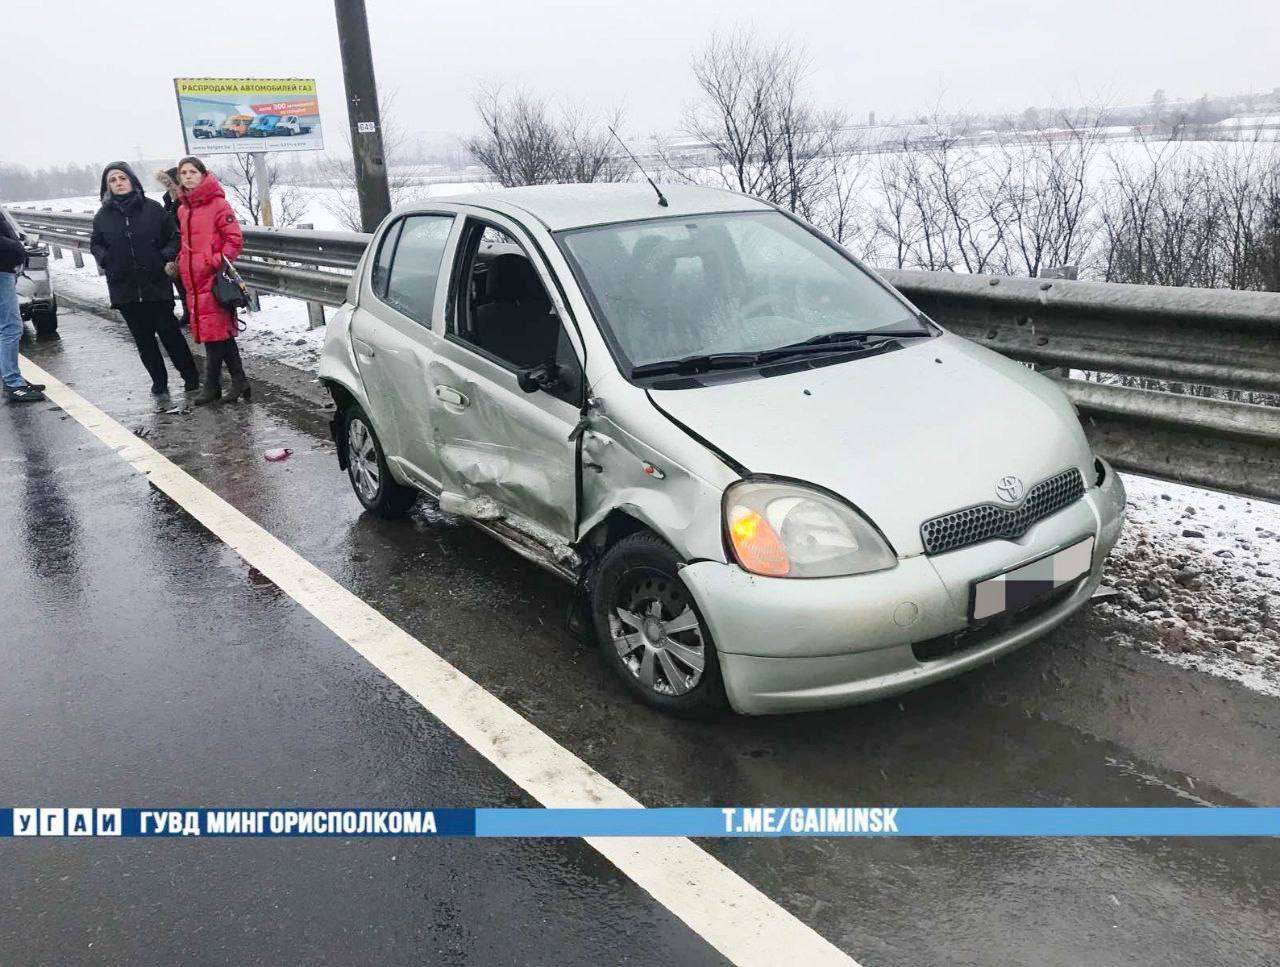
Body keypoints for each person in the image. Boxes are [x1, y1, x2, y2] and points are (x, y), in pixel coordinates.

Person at [89, 161, 200, 397]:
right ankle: (159, 381)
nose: (119, 183)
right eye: (113, 180)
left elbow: (174, 237)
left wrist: (163, 258)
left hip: (155, 283)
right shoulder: (102, 215)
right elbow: (96, 243)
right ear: (107, 186)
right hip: (124, 287)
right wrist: (107, 259)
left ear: (132, 180)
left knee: (169, 332)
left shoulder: (152, 209)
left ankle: (190, 376)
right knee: (143, 338)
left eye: (122, 178)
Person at [175, 156, 248, 406]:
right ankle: (239, 381)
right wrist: (181, 262)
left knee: (215, 336)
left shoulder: (218, 204)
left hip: (214, 280)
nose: (187, 176)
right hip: (194, 281)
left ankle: (212, 385)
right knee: (218, 334)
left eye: (192, 172)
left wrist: (214, 261)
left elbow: (234, 239)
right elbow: (186, 244)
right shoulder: (183, 209)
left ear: (203, 174)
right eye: (183, 173)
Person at [0, 210, 46, 402]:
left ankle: (12, 377)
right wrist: (17, 250)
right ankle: (13, 383)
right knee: (10, 327)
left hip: (5, 269)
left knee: (10, 326)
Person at [155, 167, 189, 328]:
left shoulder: (184, 201)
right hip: (172, 248)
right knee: (179, 283)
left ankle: (191, 312)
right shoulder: (168, 201)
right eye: (165, 184)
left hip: (185, 247)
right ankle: (187, 311)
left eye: (170, 183)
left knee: (187, 285)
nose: (168, 187)